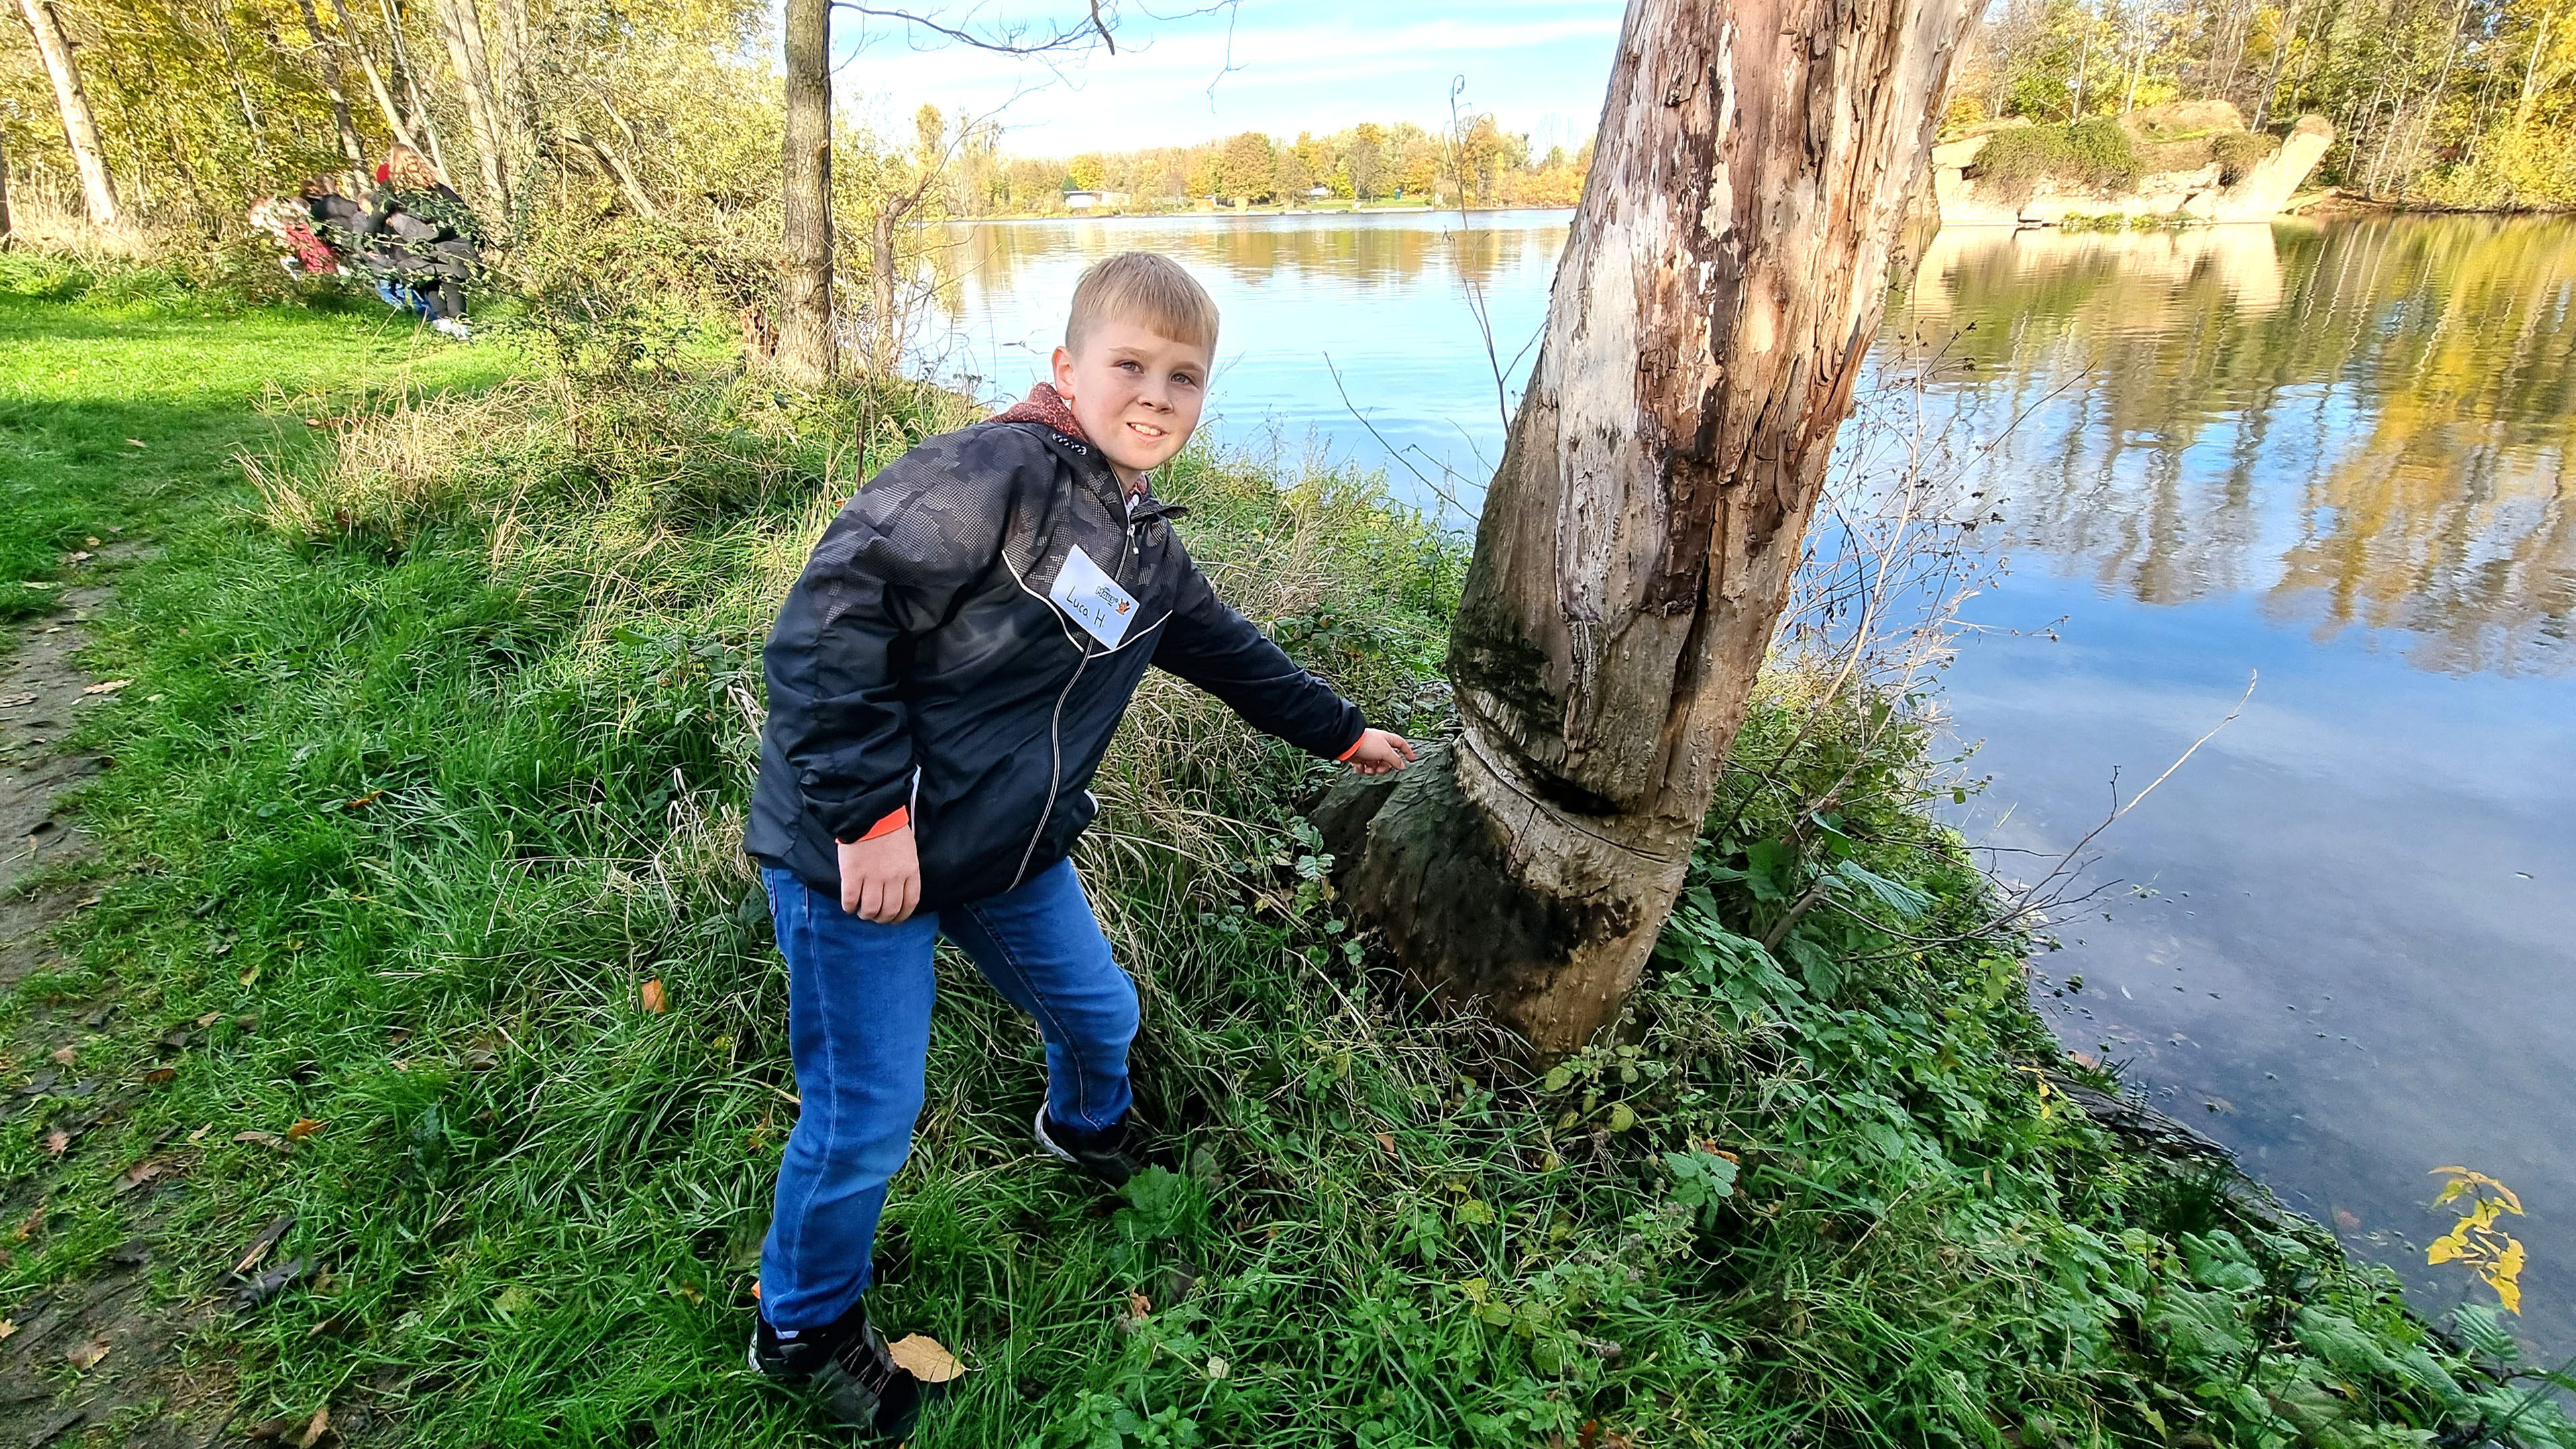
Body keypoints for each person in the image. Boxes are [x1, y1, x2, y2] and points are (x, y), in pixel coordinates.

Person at [743, 252, 1415, 1439]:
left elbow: (1229, 652)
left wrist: (1344, 731)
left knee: (1102, 1016)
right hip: (860, 862)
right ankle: (799, 1330)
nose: (1156, 395)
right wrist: (871, 819)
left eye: (1184, 378)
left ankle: (1084, 1128)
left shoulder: (1144, 538)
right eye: (1130, 366)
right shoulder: (987, 475)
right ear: (1066, 367)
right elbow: (823, 632)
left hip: (1003, 851)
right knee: (864, 1116)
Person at [357, 144, 483, 339]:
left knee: (428, 284)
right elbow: (463, 212)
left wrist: (367, 241)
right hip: (449, 243)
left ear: (393, 165)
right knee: (451, 283)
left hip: (418, 247)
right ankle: (461, 325)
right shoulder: (435, 187)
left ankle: (444, 321)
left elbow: (377, 217)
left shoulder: (392, 193)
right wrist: (475, 237)